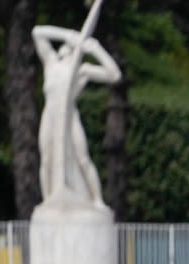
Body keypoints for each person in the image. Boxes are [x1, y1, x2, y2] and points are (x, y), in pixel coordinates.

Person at [32, 24, 122, 207]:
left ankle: (97, 200)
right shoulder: (51, 64)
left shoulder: (82, 70)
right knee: (47, 158)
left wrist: (96, 49)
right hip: (50, 114)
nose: (66, 51)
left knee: (82, 157)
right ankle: (48, 200)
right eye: (66, 48)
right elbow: (37, 32)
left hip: (69, 116)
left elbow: (115, 75)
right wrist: (69, 35)